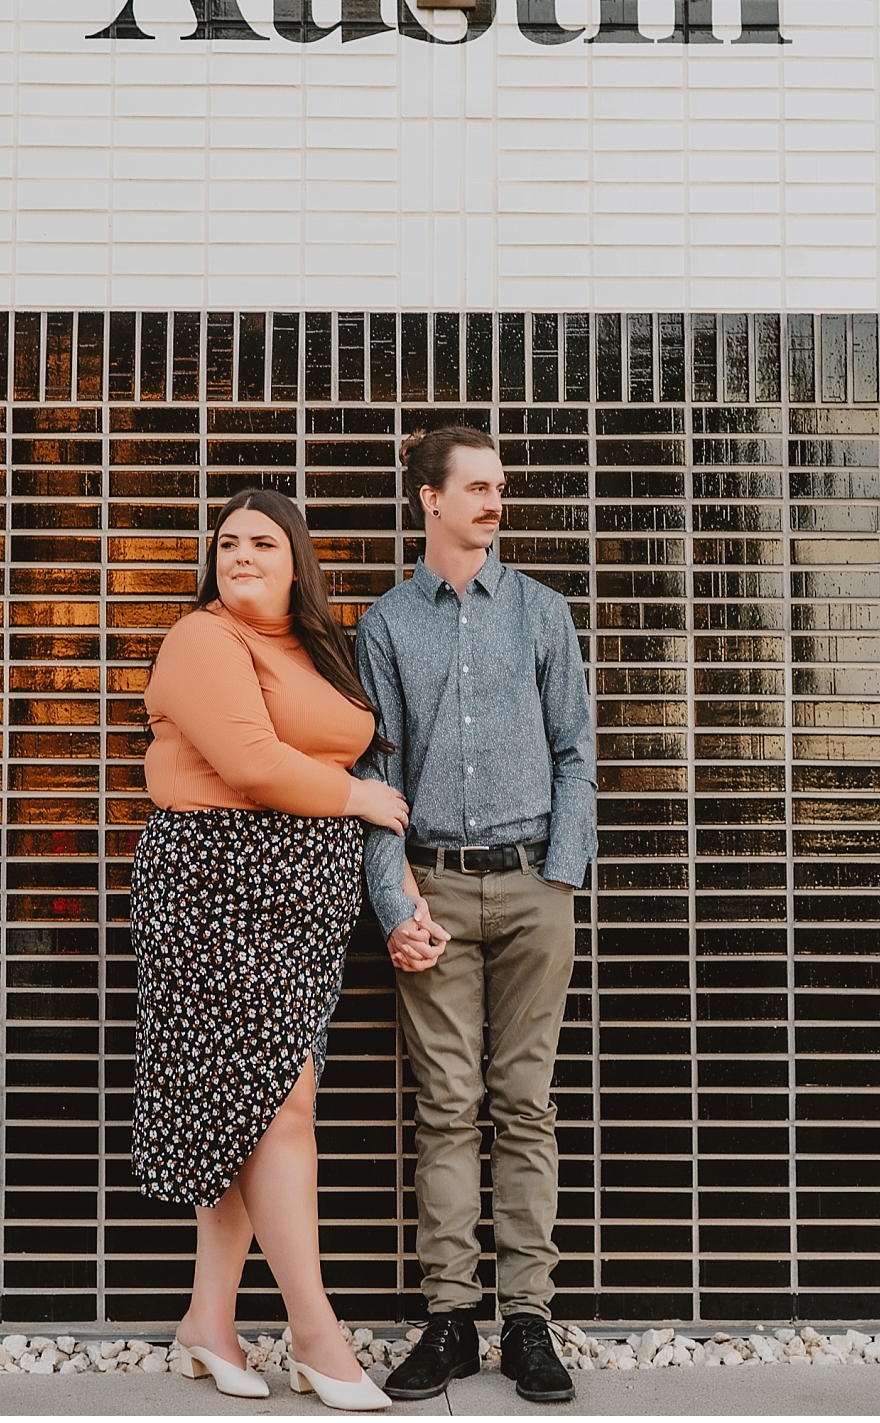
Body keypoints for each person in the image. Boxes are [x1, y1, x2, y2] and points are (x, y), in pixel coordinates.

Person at [133, 487, 410, 1413]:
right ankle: (315, 1332)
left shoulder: (318, 648)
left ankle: (207, 1322)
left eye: (261, 542)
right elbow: (251, 762)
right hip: (218, 886)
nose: (240, 554)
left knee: (249, 1107)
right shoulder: (203, 638)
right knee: (281, 1102)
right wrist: (359, 799)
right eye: (226, 542)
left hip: (301, 900)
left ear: (297, 561)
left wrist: (384, 862)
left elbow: (349, 747)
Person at [352, 427, 594, 1406]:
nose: (494, 501)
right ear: (429, 499)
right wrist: (392, 898)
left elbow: (577, 750)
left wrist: (561, 878)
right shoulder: (384, 624)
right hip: (435, 893)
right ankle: (449, 1317)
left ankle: (527, 1317)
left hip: (535, 885)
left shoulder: (541, 610)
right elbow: (374, 775)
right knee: (446, 1107)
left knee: (524, 1104)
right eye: (477, 487)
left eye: (499, 486)